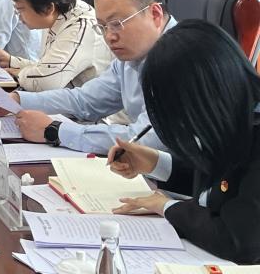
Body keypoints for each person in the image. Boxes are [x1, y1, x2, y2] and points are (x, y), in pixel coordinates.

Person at [106, 21, 260, 264]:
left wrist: (167, 207)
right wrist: (154, 162)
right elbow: (224, 183)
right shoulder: (238, 113)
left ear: (204, 96)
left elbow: (239, 241)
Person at [0, 0, 174, 153]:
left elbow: (144, 141)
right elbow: (85, 100)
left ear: (155, 14)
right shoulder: (133, 52)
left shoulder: (178, 59)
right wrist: (17, 100)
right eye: (103, 26)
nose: (109, 36)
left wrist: (54, 131)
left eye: (117, 23)